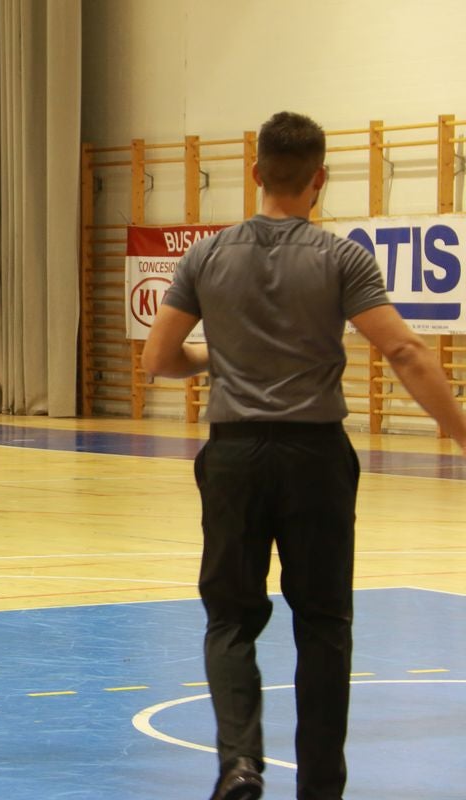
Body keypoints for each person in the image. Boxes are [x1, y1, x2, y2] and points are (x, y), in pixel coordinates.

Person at [142, 111, 466, 800]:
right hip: (316, 456)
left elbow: (158, 358)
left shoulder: (206, 256)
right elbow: (405, 351)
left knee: (230, 619)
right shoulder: (340, 258)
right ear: (320, 179)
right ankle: (321, 786)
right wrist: (465, 434)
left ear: (255, 172)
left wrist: (220, 359)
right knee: (323, 623)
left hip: (234, 456)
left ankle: (239, 764)